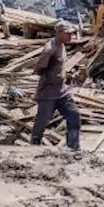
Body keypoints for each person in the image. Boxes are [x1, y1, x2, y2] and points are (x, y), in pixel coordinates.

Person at [30, 21, 81, 151]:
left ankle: (73, 148)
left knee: (74, 115)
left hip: (62, 91)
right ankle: (33, 148)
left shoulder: (62, 45)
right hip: (48, 92)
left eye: (71, 34)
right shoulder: (50, 49)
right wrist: (51, 77)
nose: (71, 36)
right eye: (67, 34)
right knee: (42, 121)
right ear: (58, 33)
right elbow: (38, 69)